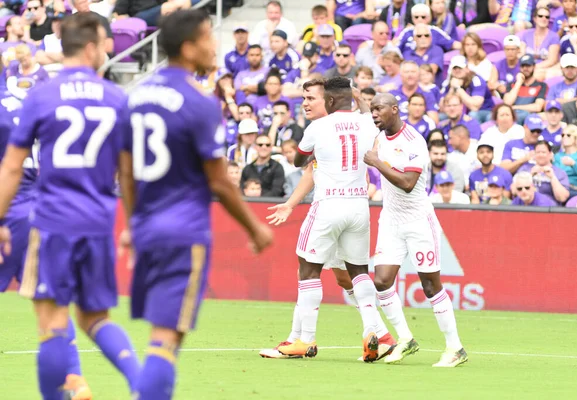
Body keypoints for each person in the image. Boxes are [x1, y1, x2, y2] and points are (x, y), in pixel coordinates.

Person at [119, 9, 273, 398]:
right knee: (166, 339)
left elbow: (126, 172)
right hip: (183, 230)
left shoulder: (136, 96)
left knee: (164, 337)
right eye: (207, 37)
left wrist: (134, 225)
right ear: (188, 48)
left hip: (149, 227)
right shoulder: (200, 102)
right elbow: (220, 182)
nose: (213, 45)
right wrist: (255, 228)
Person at [0, 12, 140, 399]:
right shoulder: (116, 97)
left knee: (51, 322)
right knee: (96, 317)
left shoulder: (42, 95)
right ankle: (140, 382)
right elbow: (127, 174)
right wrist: (133, 224)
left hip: (52, 220)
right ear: (92, 48)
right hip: (98, 220)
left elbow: (12, 166)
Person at [260, 78, 396, 361]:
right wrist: (290, 203)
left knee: (308, 271)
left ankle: (304, 341)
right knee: (356, 273)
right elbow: (314, 170)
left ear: (329, 100)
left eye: (311, 98)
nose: (306, 103)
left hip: (328, 206)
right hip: (359, 206)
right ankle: (377, 334)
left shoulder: (317, 128)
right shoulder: (366, 123)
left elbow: (302, 164)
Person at [365, 92, 468, 367]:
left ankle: (455, 347)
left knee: (430, 286)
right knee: (382, 281)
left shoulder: (414, 142)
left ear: (395, 110)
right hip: (390, 219)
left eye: (379, 109)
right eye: (372, 109)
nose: (374, 114)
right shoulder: (379, 137)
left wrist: (376, 162)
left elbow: (409, 182)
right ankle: (406, 338)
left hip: (418, 220)